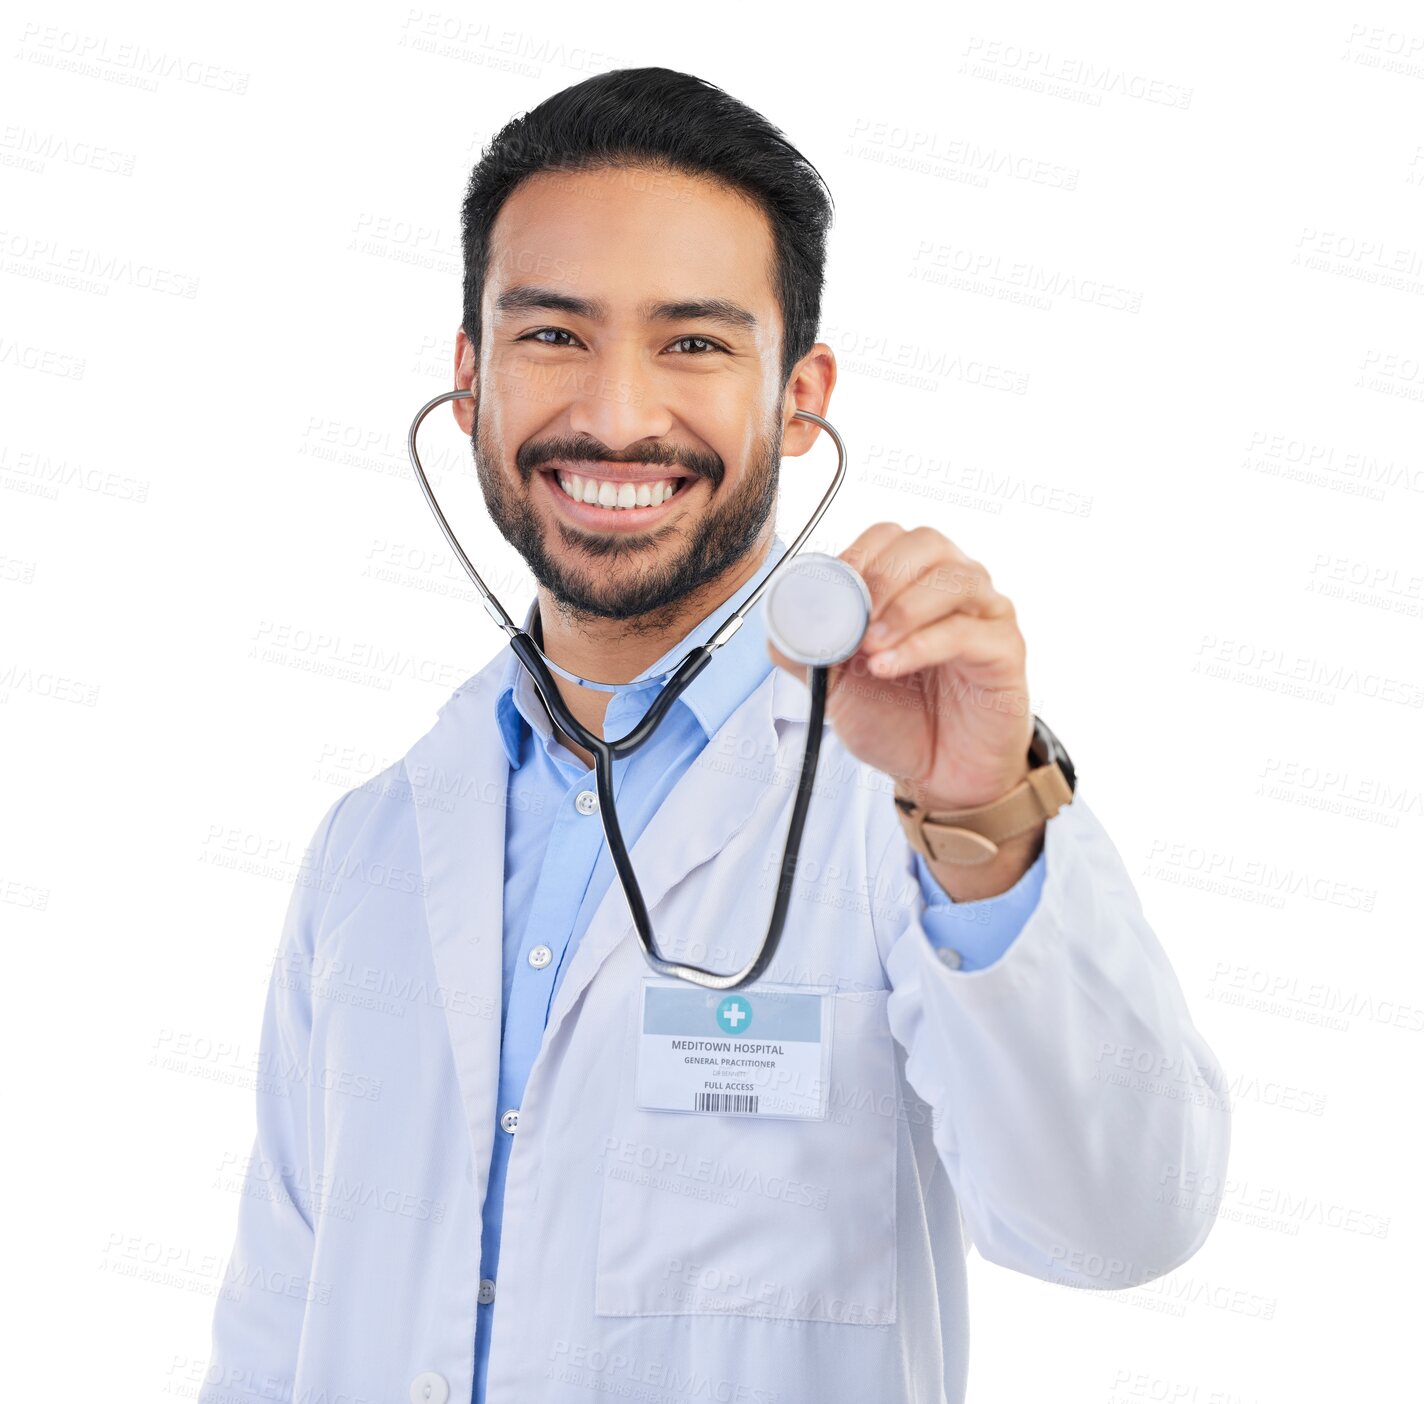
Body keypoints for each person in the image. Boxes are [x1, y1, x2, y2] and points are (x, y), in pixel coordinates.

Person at [199, 67, 1230, 1404]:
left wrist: (985, 817)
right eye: (553, 335)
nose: (619, 415)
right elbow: (278, 1328)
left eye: (693, 341)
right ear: (469, 379)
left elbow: (1119, 1221)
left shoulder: (908, 807)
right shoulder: (371, 848)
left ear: (801, 395)